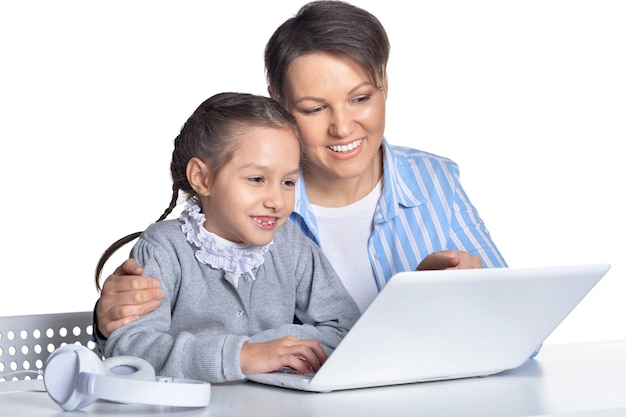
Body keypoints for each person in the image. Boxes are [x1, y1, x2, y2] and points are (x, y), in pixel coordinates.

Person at [95, 0, 507, 338]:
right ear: (279, 103)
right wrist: (110, 319)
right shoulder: (255, 202)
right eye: (313, 108)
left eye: (360, 98)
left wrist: (471, 296)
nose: (343, 127)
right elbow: (168, 318)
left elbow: (519, 328)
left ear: (384, 82)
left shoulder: (436, 180)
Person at [94, 92, 361, 383]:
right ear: (203, 178)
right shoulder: (163, 250)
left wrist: (275, 346)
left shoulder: (293, 247)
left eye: (288, 182)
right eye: (257, 179)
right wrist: (243, 355)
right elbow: (132, 352)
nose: (277, 200)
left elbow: (349, 332)